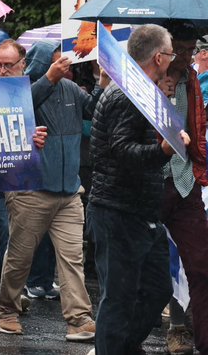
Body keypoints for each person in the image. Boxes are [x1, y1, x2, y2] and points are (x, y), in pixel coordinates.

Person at [88, 24, 190, 355]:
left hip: (141, 209)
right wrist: (162, 151)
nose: (173, 59)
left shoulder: (142, 89)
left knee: (158, 286)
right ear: (159, 57)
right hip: (116, 210)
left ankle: (123, 346)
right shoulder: (126, 93)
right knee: (117, 297)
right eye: (171, 53)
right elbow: (121, 152)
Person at [0, 39, 97, 341]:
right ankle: (7, 310)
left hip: (68, 191)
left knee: (72, 258)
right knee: (20, 257)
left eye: (63, 61)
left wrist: (103, 77)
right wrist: (48, 77)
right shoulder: (17, 90)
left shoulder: (72, 90)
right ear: (39, 64)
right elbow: (16, 107)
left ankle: (79, 319)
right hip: (30, 190)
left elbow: (98, 111)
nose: (62, 64)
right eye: (54, 60)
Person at [159, 24, 208, 355]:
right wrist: (156, 96)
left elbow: (197, 127)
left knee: (202, 266)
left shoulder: (191, 80)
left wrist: (198, 164)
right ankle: (119, 341)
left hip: (186, 182)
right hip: (149, 184)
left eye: (193, 50)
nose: (189, 56)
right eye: (183, 49)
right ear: (166, 48)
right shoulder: (140, 79)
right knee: (142, 274)